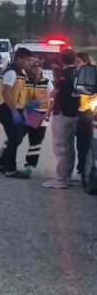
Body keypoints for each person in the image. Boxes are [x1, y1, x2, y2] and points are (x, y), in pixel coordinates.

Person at [43, 47, 80, 189]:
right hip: (75, 113)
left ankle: (62, 179)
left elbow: (53, 94)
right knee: (70, 147)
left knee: (61, 147)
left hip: (62, 114)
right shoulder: (79, 72)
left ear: (61, 59)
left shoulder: (64, 74)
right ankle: (68, 175)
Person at [0, 47, 32, 179]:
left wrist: (26, 106)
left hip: (15, 109)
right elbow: (6, 92)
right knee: (14, 138)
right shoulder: (12, 72)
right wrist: (14, 111)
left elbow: (19, 93)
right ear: (20, 59)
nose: (28, 63)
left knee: (17, 137)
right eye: (27, 60)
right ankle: (10, 169)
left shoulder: (20, 73)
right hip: (7, 109)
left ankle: (1, 162)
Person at [19, 58, 50, 175]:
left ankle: (30, 165)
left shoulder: (46, 82)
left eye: (39, 67)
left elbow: (51, 99)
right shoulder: (24, 81)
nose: (37, 69)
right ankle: (3, 160)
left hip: (38, 114)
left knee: (35, 142)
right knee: (15, 138)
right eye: (34, 67)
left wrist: (47, 114)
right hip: (24, 113)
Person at [76, 52, 94, 187]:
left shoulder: (90, 76)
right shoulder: (76, 74)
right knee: (81, 145)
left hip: (88, 114)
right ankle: (82, 168)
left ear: (86, 61)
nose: (76, 63)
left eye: (78, 61)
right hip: (80, 114)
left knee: (86, 144)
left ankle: (84, 169)